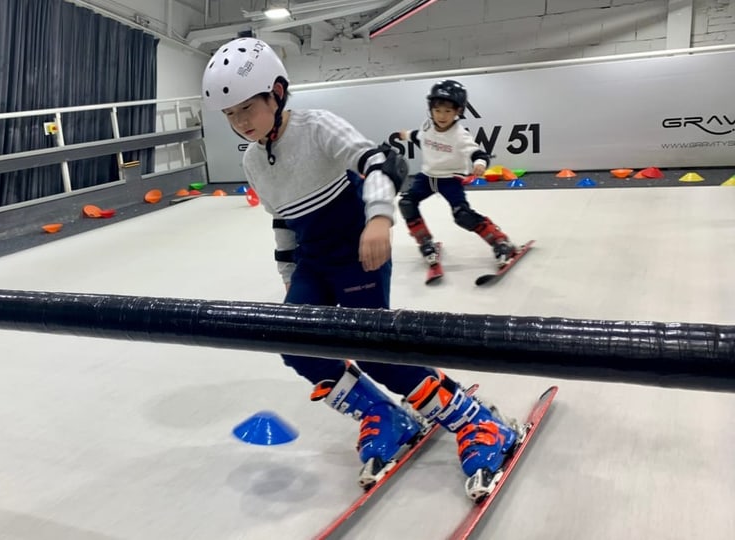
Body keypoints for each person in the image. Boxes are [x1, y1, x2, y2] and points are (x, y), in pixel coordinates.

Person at [201, 38, 518, 499]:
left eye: (247, 107)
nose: (240, 122)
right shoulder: (253, 159)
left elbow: (380, 162)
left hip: (359, 255)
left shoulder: (316, 127)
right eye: (229, 115)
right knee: (296, 346)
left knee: (374, 351)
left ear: (277, 92)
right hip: (314, 263)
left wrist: (378, 218)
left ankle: (481, 423)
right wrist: (292, 284)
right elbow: (283, 220)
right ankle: (384, 416)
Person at [396, 79, 519, 270]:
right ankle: (425, 243)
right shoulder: (428, 126)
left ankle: (500, 242)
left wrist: (479, 163)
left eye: (448, 111)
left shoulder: (460, 135)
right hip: (427, 177)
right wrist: (405, 135)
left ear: (458, 111)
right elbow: (419, 136)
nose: (442, 116)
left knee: (462, 215)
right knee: (406, 203)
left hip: (450, 179)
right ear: (431, 110)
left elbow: (478, 153)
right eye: (437, 110)